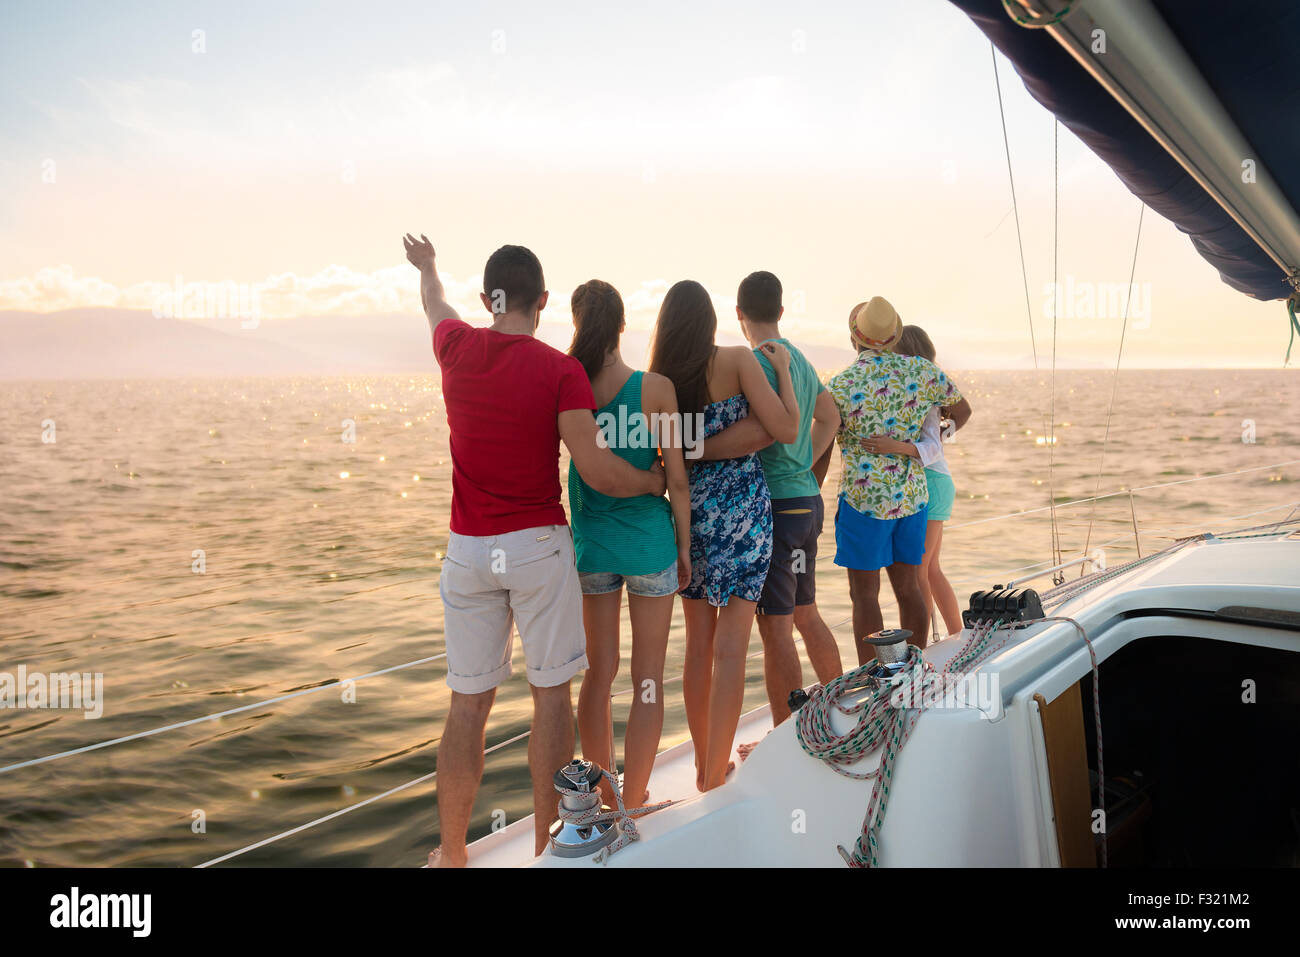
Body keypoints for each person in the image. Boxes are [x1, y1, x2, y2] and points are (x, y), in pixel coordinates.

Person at [404, 234, 666, 867]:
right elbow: (600, 472)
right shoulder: (559, 370)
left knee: (467, 704)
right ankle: (552, 848)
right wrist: (656, 481)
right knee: (550, 695)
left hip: (468, 550)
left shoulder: (456, 346)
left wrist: (429, 266)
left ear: (488, 298)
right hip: (537, 548)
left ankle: (453, 855)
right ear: (543, 301)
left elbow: (434, 303)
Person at [648, 279, 799, 791]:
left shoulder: (658, 380)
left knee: (697, 649)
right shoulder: (737, 360)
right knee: (731, 650)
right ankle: (715, 771)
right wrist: (781, 371)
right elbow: (783, 427)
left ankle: (701, 766)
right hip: (743, 516)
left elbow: (659, 455)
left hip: (690, 517)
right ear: (711, 319)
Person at [694, 271, 843, 737]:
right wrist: (807, 464)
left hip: (773, 506)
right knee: (807, 614)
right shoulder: (797, 358)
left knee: (775, 630)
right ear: (781, 311)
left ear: (738, 314)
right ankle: (849, 706)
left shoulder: (755, 363)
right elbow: (831, 417)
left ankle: (790, 738)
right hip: (804, 499)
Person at [565, 279, 691, 810]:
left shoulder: (567, 385)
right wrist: (685, 549)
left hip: (593, 548)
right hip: (650, 548)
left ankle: (603, 800)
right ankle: (634, 799)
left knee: (598, 675)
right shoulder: (657, 388)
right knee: (647, 679)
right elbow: (677, 480)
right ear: (622, 324)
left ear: (577, 323)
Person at [827, 297, 970, 663]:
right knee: (910, 589)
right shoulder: (923, 372)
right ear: (894, 335)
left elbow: (825, 436)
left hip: (863, 501)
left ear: (855, 336)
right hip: (911, 498)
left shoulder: (841, 384)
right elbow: (962, 408)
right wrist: (940, 435)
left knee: (864, 595)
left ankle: (873, 673)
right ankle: (913, 668)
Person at [886, 325, 966, 639]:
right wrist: (945, 436)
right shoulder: (926, 387)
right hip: (939, 478)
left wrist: (942, 438)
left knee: (920, 570)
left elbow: (931, 440)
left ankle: (926, 643)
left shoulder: (917, 389)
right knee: (931, 569)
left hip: (931, 480)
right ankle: (956, 635)